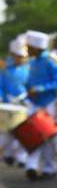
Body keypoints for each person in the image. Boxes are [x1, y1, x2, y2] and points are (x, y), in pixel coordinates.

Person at [22, 30, 57, 181]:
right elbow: (29, 81)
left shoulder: (50, 60)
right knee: (32, 135)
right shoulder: (32, 62)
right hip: (33, 104)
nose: (27, 49)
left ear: (36, 47)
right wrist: (27, 88)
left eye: (29, 47)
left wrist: (40, 88)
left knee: (47, 137)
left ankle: (50, 167)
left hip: (49, 104)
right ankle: (32, 166)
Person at [1, 38, 30, 167]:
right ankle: (7, 155)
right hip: (7, 103)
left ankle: (22, 157)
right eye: (17, 56)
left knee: (23, 131)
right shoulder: (5, 69)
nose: (20, 59)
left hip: (24, 103)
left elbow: (31, 85)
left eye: (22, 57)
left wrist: (26, 96)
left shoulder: (29, 69)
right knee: (7, 131)